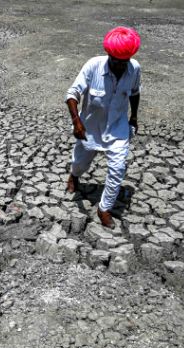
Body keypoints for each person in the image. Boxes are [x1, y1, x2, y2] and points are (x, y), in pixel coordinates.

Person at [65, 26, 141, 229]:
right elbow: (72, 94)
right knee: (80, 163)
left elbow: (134, 93)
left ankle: (104, 208)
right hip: (90, 127)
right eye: (115, 60)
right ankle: (74, 175)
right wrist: (77, 121)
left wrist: (133, 117)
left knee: (117, 169)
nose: (119, 65)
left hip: (117, 128)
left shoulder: (134, 69)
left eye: (123, 61)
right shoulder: (93, 66)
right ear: (109, 54)